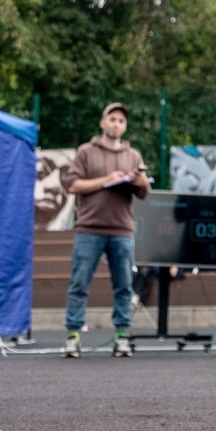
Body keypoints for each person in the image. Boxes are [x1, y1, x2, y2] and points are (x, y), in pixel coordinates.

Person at [62, 102, 151, 358]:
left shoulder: (133, 156)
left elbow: (143, 194)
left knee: (124, 285)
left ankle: (122, 336)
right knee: (79, 283)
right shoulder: (85, 152)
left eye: (121, 121)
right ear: (103, 122)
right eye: (112, 119)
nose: (116, 124)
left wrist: (142, 182)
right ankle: (73, 335)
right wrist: (106, 180)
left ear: (125, 126)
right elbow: (73, 185)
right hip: (89, 228)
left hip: (122, 230)